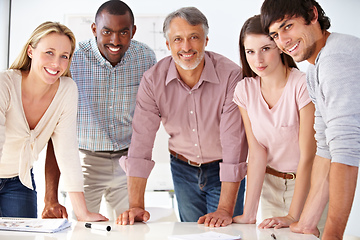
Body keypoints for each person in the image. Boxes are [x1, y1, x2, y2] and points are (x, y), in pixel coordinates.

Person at [117, 6, 247, 228]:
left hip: (224, 169)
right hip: (182, 169)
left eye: (194, 37)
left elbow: (234, 142)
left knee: (226, 232)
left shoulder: (231, 75)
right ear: (168, 45)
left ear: (206, 40)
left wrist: (225, 209)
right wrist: (136, 205)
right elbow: (141, 142)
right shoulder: (152, 81)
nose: (186, 47)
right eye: (178, 39)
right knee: (191, 232)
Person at [42, 1, 157, 220]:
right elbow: (54, 129)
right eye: (107, 32)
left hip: (127, 160)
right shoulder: (73, 59)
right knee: (78, 228)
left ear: (133, 31)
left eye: (124, 32)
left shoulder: (146, 58)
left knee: (132, 228)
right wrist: (50, 197)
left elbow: (150, 113)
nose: (115, 41)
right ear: (95, 29)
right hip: (85, 161)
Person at [261, 0, 360, 239]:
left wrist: (332, 235)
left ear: (313, 14)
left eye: (288, 26)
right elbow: (326, 147)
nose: (283, 41)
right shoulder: (316, 67)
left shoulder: (336, 58)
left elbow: (346, 150)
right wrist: (305, 222)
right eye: (275, 34)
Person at [0, 21, 107, 222]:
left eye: (64, 56)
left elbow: (66, 152)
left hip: (19, 180)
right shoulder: (4, 83)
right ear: (31, 51)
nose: (56, 64)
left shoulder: (67, 90)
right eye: (49, 52)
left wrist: (82, 212)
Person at [232, 14, 327, 232]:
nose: (258, 60)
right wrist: (249, 214)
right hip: (269, 187)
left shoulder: (302, 85)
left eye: (266, 48)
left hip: (309, 186)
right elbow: (256, 152)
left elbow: (308, 156)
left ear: (281, 46)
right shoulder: (244, 90)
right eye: (250, 52)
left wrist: (293, 215)